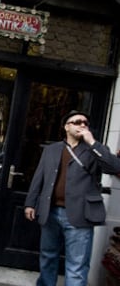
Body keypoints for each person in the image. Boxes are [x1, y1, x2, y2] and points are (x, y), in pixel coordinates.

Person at [24, 110, 120, 286]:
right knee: (47, 258)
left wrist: (92, 142)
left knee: (76, 266)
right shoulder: (51, 149)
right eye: (77, 122)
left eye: (85, 123)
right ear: (66, 127)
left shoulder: (94, 149)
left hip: (80, 216)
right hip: (50, 212)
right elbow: (40, 177)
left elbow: (114, 166)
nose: (82, 125)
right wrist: (30, 203)